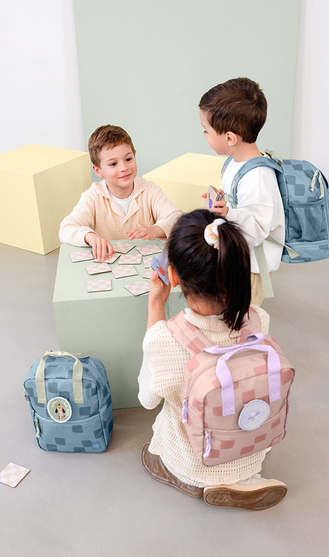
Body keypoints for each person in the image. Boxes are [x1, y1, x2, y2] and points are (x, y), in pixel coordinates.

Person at [138, 210, 287, 510]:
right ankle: (242, 477)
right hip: (248, 442)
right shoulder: (259, 320)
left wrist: (155, 305)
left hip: (195, 457)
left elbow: (147, 399)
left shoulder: (166, 339)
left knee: (152, 447)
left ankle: (190, 479)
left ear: (174, 277)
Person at [199, 77, 285, 305]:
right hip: (237, 257)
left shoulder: (258, 177)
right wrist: (223, 202)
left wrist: (228, 212)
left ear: (230, 138)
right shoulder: (235, 161)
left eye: (206, 131)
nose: (204, 135)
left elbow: (257, 229)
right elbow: (239, 202)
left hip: (252, 267)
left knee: (244, 315)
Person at [59, 125, 182, 260]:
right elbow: (66, 229)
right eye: (113, 164)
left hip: (147, 262)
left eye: (128, 159)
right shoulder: (92, 196)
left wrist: (157, 229)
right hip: (109, 261)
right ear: (98, 170)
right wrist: (89, 236)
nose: (124, 168)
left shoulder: (149, 190)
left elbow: (177, 217)